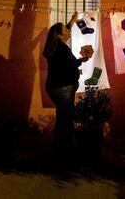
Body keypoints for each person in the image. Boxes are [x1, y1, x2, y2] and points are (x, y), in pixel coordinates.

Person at [43, 12, 89, 162]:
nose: (69, 32)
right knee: (66, 119)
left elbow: (64, 30)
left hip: (55, 87)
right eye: (66, 31)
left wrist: (72, 22)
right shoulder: (62, 49)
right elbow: (71, 63)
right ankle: (64, 150)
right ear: (59, 35)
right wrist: (81, 60)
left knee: (63, 117)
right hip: (63, 88)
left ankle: (60, 148)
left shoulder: (53, 46)